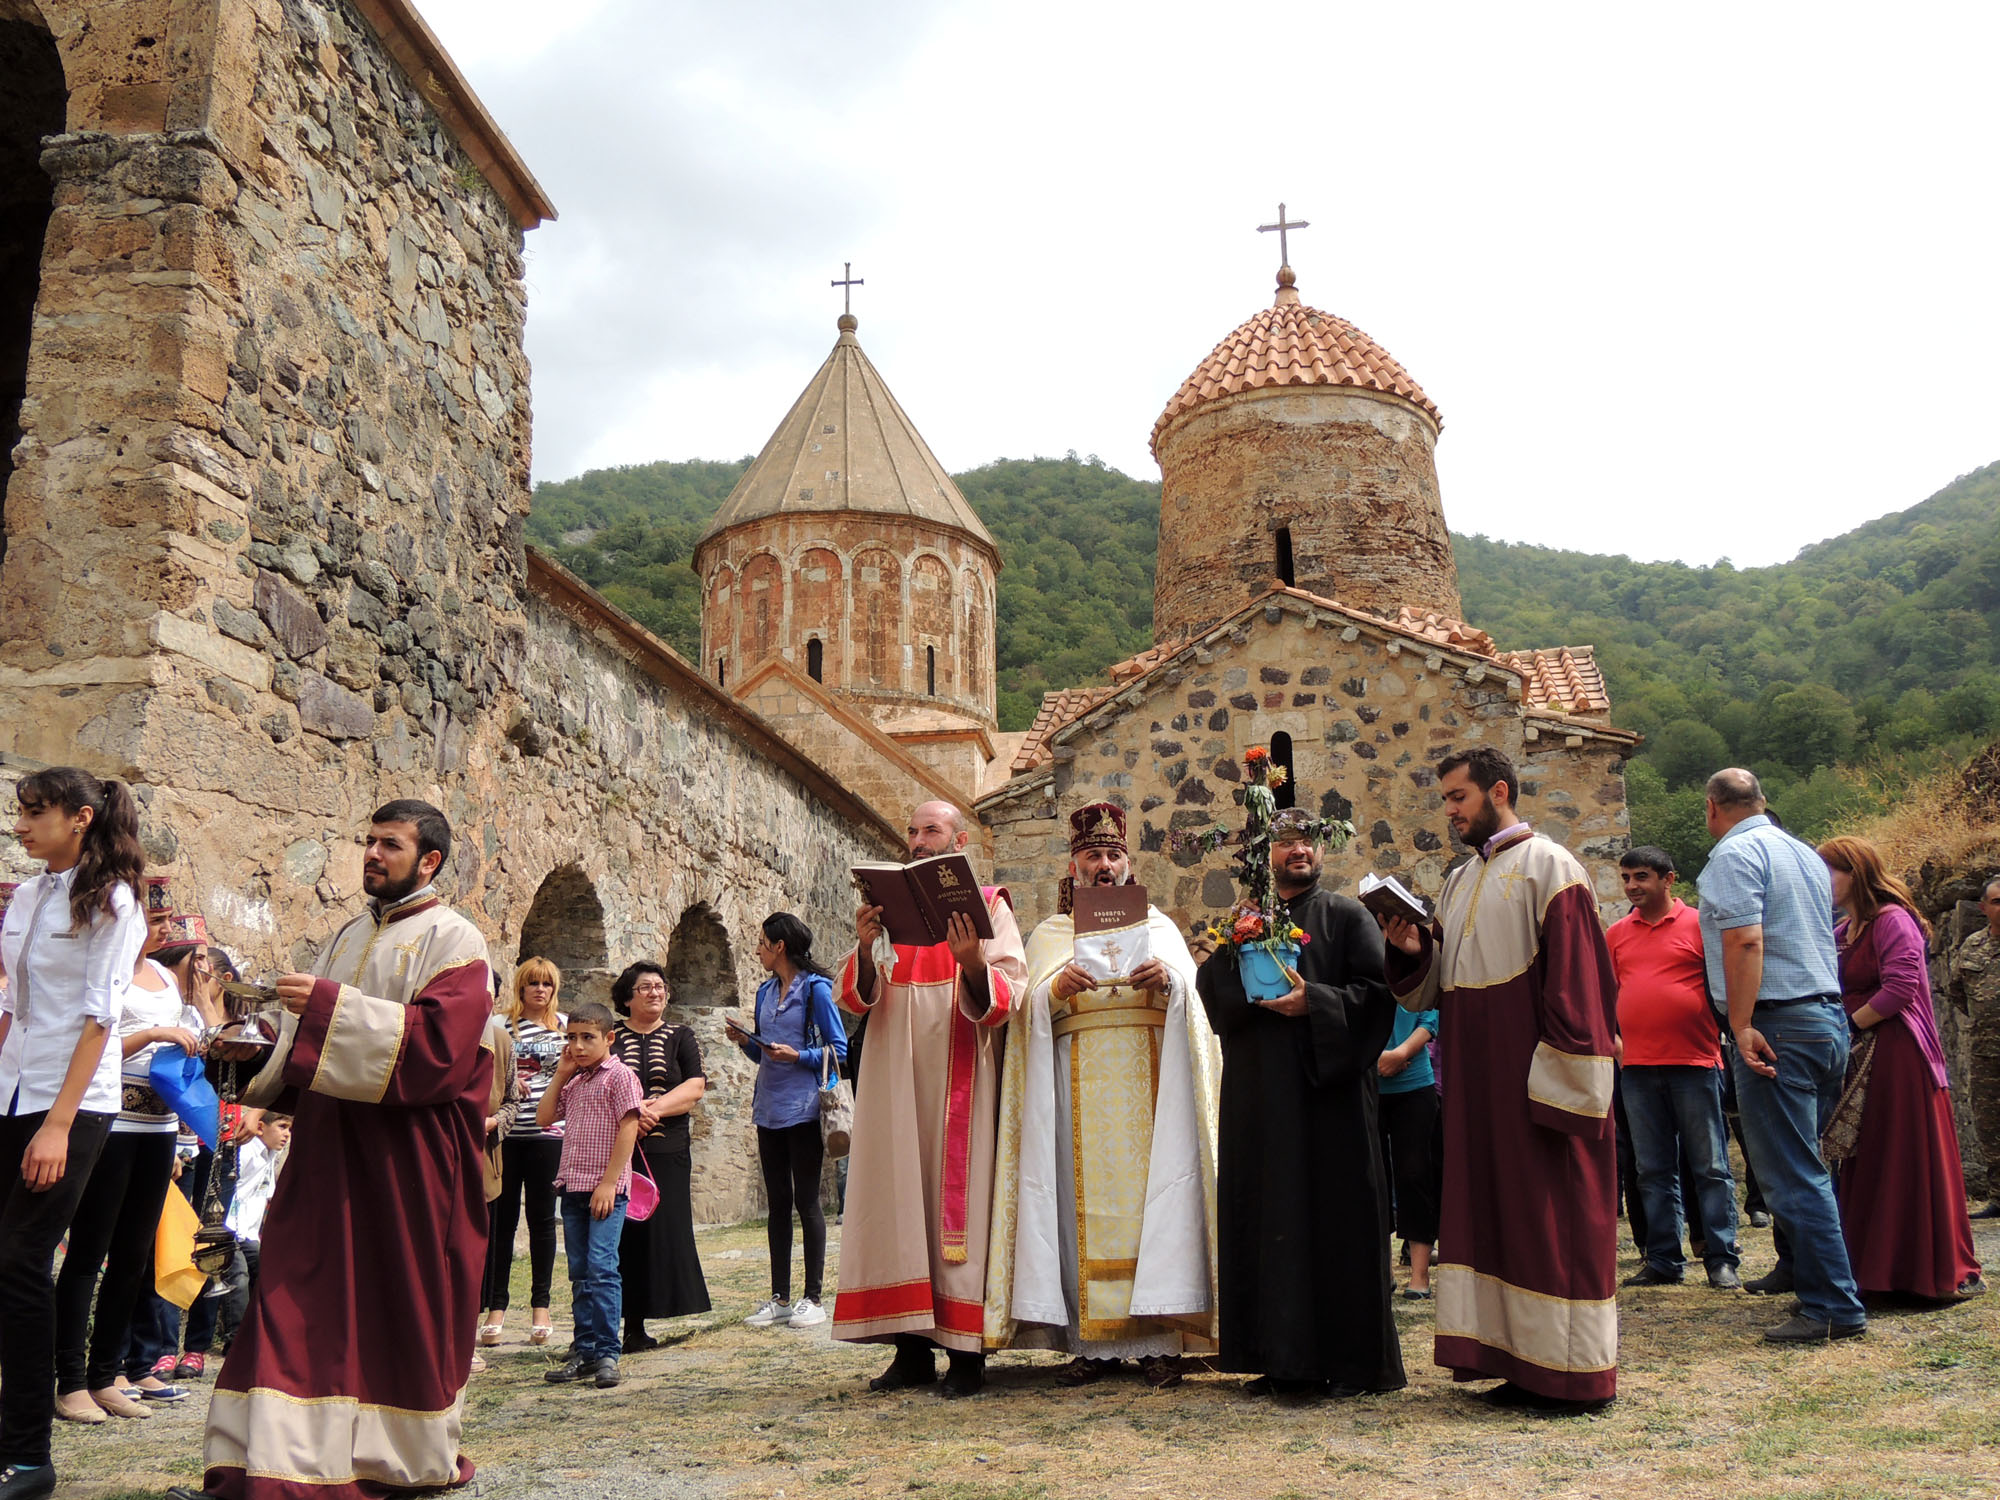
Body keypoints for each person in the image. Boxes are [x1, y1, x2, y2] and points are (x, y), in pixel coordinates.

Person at [183, 798, 496, 1500]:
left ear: (430, 860)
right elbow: (304, 1053)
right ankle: (268, 1465)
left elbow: (439, 1056)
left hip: (407, 1164)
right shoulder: (348, 935)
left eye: (390, 844)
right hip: (325, 1157)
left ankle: (395, 1461)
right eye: (368, 841)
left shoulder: (458, 943)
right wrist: (242, 1048)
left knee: (395, 1306)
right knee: (293, 1297)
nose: (372, 854)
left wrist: (325, 1006)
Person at [1382, 746, 1620, 1413]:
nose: (1451, 812)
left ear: (1500, 790)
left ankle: (1568, 1373)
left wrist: (1567, 1088)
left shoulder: (1554, 868)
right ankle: (1515, 1363)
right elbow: (1438, 986)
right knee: (1495, 1219)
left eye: (1459, 798)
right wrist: (1410, 950)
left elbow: (1580, 989)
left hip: (1534, 1082)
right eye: (1447, 800)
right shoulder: (1459, 881)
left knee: (1551, 1218)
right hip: (1475, 1085)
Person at [986, 803, 1218, 1388]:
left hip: (1152, 1092)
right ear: (1074, 866)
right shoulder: (1051, 934)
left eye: (1114, 855)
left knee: (1158, 1205)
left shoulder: (1160, 927)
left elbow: (1196, 1002)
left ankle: (1161, 1340)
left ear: (1129, 864)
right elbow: (1025, 1007)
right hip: (1073, 1085)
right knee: (1075, 1206)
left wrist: (1170, 983)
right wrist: (1052, 991)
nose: (1105, 865)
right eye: (1094, 855)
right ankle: (1088, 1344)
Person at [1197, 807, 1403, 1399]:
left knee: (1333, 1219)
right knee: (1268, 1217)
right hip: (1260, 1096)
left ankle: (1351, 1363)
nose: (1299, 850)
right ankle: (1277, 1358)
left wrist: (1315, 1001)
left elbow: (1377, 996)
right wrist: (1227, 961)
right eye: (1285, 841)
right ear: (1265, 855)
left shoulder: (1345, 917)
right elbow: (1216, 999)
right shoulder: (1247, 921)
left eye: (1307, 840)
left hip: (1328, 1099)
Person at [835, 799, 1027, 1398]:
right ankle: (911, 1349)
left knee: (957, 1208)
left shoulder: (990, 906)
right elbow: (856, 999)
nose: (918, 841)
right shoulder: (887, 910)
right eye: (913, 832)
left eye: (931, 831)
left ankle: (967, 1357)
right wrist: (867, 947)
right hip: (894, 1070)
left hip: (957, 1070)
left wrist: (972, 963)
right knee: (897, 1203)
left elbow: (1009, 992)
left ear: (958, 840)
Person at [0, 767, 148, 1500]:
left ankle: (29, 1456)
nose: (21, 825)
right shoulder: (28, 894)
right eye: (20, 811)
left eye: (35, 812)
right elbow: (15, 1004)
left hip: (73, 1104)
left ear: (81, 818)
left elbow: (101, 1018)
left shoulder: (116, 904)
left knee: (22, 1258)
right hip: (11, 1091)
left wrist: (57, 1125)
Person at [1695, 768, 1865, 1344]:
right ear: (1762, 802)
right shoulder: (1804, 854)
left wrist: (1740, 1024)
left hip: (1776, 1024)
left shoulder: (1732, 856)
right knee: (1809, 1162)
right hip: (1825, 1020)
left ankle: (1833, 1306)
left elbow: (1745, 939)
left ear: (1714, 809)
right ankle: (1799, 1269)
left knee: (1792, 1172)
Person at [53, 898, 207, 1422]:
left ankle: (106, 1374)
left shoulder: (166, 976)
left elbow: (191, 1036)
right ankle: (70, 1379)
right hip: (111, 1121)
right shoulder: (106, 971)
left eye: (167, 920)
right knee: (88, 1252)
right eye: (154, 918)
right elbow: (89, 1045)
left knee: (135, 1255)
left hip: (159, 1124)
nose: (163, 927)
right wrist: (154, 1034)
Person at [1818, 837, 1983, 1301]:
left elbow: (1900, 989)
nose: (1822, 881)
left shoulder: (1893, 920)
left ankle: (1920, 1273)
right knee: (1867, 1159)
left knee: (1902, 1156)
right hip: (1861, 1057)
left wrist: (1847, 1027)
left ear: (1856, 871)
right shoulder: (1843, 929)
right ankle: (1874, 1272)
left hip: (1898, 1054)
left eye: (1829, 870)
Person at [1605, 846, 1742, 1290]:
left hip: (1695, 1063)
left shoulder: (1700, 925)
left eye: (1641, 877)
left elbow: (1726, 985)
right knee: (1652, 1169)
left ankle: (1721, 1258)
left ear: (1669, 879)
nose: (1631, 886)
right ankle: (1664, 1260)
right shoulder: (1617, 934)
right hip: (1638, 1070)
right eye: (1626, 878)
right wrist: (1614, 1042)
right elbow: (1607, 995)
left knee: (1710, 1167)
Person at [729, 916, 844, 1332]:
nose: (757, 950)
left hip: (806, 1108)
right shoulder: (763, 991)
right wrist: (748, 1043)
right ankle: (779, 1297)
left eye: (761, 943)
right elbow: (765, 1055)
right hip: (769, 1109)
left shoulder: (816, 990)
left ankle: (813, 1297)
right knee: (777, 1203)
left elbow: (839, 1051)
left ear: (779, 946)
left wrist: (798, 1057)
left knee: (807, 1201)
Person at [538, 1001, 642, 1389]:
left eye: (587, 1038)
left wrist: (609, 1182)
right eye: (571, 1039)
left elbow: (628, 1128)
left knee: (601, 1268)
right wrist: (561, 1073)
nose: (578, 1046)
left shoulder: (620, 1077)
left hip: (604, 1189)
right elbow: (544, 1117)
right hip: (573, 1188)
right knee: (580, 1272)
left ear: (609, 1038)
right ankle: (583, 1350)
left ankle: (606, 1353)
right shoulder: (576, 1080)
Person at [612, 961, 710, 1350]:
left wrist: (650, 1111)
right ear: (626, 996)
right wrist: (631, 1117)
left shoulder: (681, 1035)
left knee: (661, 1232)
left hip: (667, 1147)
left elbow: (695, 1086)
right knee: (624, 1236)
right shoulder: (611, 1036)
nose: (655, 993)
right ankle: (626, 1323)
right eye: (645, 987)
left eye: (660, 987)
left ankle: (650, 1316)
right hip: (620, 1147)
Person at [479, 956, 565, 1349]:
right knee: (502, 1222)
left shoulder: (564, 1027)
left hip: (550, 1133)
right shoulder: (500, 1026)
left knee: (543, 1221)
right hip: (506, 1134)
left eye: (546, 984)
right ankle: (496, 1308)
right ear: (521, 987)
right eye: (533, 983)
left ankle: (541, 1308)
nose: (540, 990)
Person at [1377, 996, 1441, 1300]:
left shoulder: (1416, 955)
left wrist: (1403, 1051)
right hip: (1367, 1083)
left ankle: (1419, 1274)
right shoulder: (1361, 954)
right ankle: (1381, 1270)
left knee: (1415, 1176)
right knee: (1374, 1178)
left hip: (1415, 1085)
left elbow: (1430, 1017)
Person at [1948, 876, 2000, 1219]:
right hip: (1986, 1052)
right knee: (1990, 1127)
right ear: (1982, 908)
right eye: (1996, 901)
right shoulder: (1972, 946)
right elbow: (1957, 991)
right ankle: (1999, 1196)